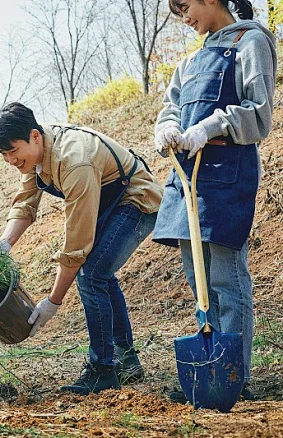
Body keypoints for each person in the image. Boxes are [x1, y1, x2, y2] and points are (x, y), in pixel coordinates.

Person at [0, 102, 163, 395]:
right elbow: (25, 204)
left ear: (34, 136)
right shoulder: (35, 157)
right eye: (3, 154)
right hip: (108, 201)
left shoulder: (74, 161)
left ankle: (103, 369)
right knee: (99, 274)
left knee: (91, 275)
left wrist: (52, 302)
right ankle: (126, 361)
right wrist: (3, 244)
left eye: (12, 151)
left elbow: (76, 246)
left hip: (136, 199)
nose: (9, 160)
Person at [152, 0, 276, 402]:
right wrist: (168, 126)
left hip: (226, 176)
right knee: (199, 281)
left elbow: (260, 115)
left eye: (185, 6)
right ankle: (212, 369)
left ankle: (236, 377)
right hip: (186, 179)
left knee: (225, 277)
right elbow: (170, 108)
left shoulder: (251, 41)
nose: (183, 18)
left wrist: (211, 125)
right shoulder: (189, 62)